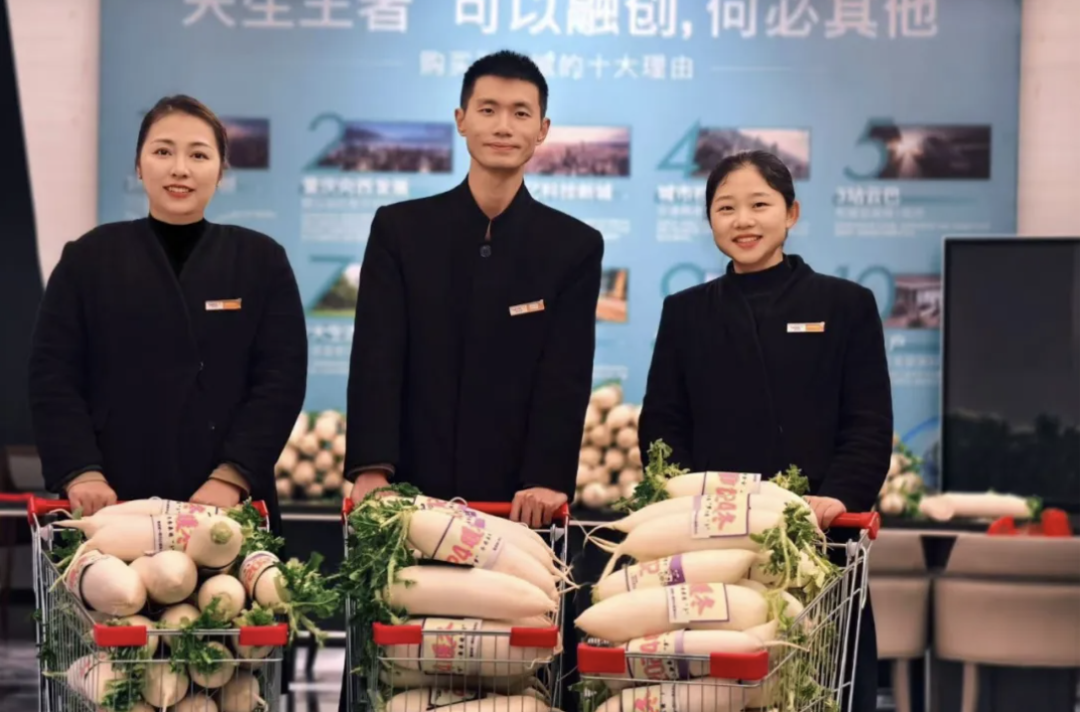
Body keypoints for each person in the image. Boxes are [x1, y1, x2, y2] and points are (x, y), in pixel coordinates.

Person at [637, 150, 893, 712]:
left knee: (818, 688)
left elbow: (869, 423)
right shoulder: (685, 311)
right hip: (714, 547)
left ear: (791, 213)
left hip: (818, 538)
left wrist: (838, 497)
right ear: (710, 220)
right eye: (726, 208)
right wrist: (687, 509)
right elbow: (663, 424)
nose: (743, 221)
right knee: (718, 694)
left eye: (759, 204)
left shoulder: (845, 304)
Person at [343, 50, 604, 527]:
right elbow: (376, 357)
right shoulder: (400, 230)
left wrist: (548, 476)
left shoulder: (574, 246)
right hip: (406, 496)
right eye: (488, 109)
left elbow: (565, 374)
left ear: (542, 129)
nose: (503, 126)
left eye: (520, 113)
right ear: (461, 120)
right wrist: (372, 468)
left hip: (518, 503)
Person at [28, 94, 307, 531]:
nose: (180, 169)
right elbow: (53, 374)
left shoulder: (260, 259)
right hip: (112, 500)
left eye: (198, 154)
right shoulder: (89, 257)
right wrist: (81, 471)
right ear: (139, 166)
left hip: (227, 505)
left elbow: (281, 380)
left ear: (220, 170)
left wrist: (232, 476)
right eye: (162, 152)